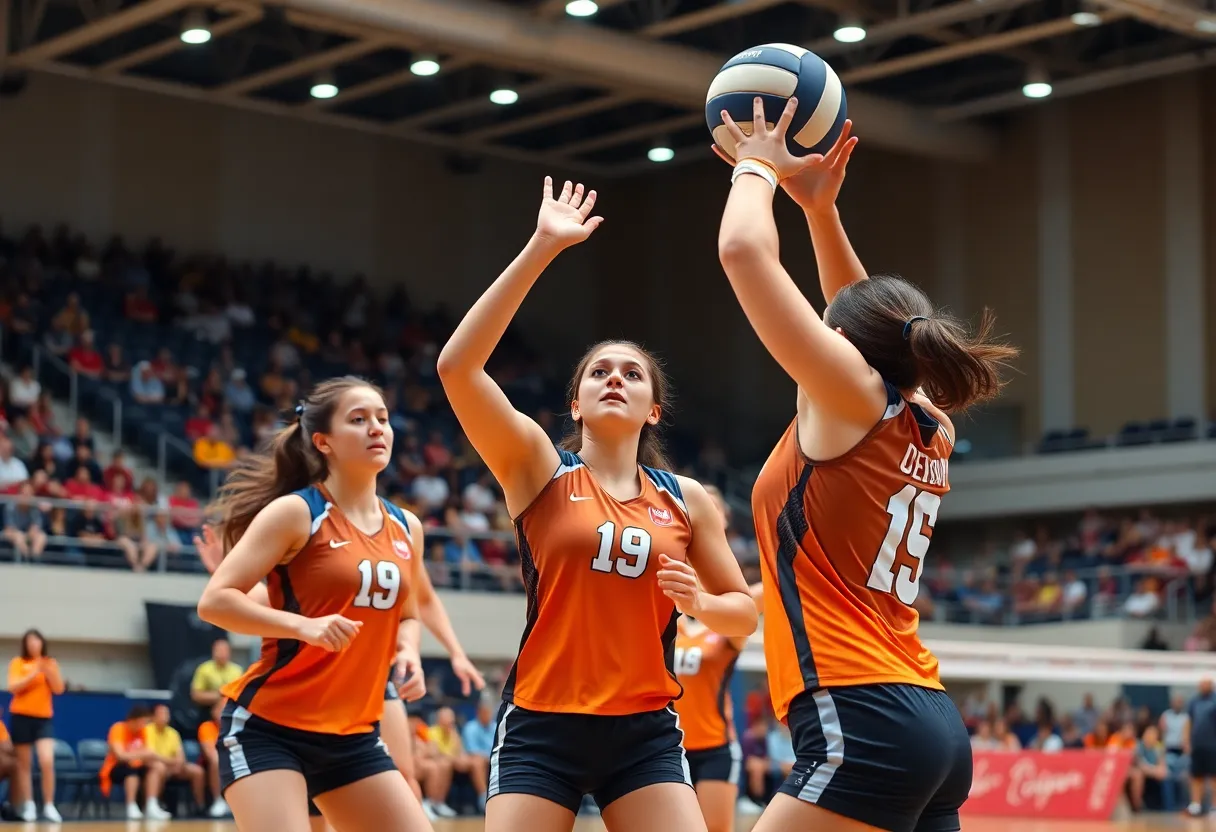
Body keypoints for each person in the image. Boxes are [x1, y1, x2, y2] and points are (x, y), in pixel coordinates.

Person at [715, 99, 1017, 832]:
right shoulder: (927, 421)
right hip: (929, 717)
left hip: (863, 711)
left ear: (845, 345)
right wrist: (821, 213)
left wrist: (756, 161)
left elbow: (744, 253)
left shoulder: (851, 399)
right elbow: (863, 320)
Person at [437, 176, 758, 832]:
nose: (616, 378)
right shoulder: (537, 468)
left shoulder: (688, 501)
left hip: (644, 734)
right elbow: (458, 368)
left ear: (654, 410)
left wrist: (698, 602)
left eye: (632, 373)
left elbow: (744, 615)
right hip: (541, 727)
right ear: (576, 403)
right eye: (599, 372)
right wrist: (542, 247)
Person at [196, 377, 432, 832]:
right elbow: (216, 602)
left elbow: (408, 614)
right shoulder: (296, 513)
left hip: (352, 736)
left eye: (382, 418)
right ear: (323, 441)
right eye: (359, 420)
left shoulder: (408, 528)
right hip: (269, 728)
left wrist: (408, 651)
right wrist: (303, 627)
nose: (377, 429)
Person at [194, 519, 486, 824]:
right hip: (299, 697)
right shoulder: (305, 521)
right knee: (311, 802)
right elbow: (257, 600)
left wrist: (450, 652)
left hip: (367, 685)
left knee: (402, 771)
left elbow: (418, 604)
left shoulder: (399, 529)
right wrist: (224, 573)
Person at [672, 485, 753, 832]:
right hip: (666, 746)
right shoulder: (670, 600)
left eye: (713, 506)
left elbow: (753, 609)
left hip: (715, 747)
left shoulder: (733, 602)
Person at [6, 629, 64, 822]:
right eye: (29, 641)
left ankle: (49, 805)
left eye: (36, 640)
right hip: (21, 715)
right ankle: (29, 805)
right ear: (25, 644)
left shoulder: (50, 663)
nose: (33, 644)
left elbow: (59, 689)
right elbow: (13, 687)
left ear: (42, 643)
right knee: (24, 764)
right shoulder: (18, 663)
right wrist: (34, 672)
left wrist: (47, 671)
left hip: (43, 718)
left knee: (46, 760)